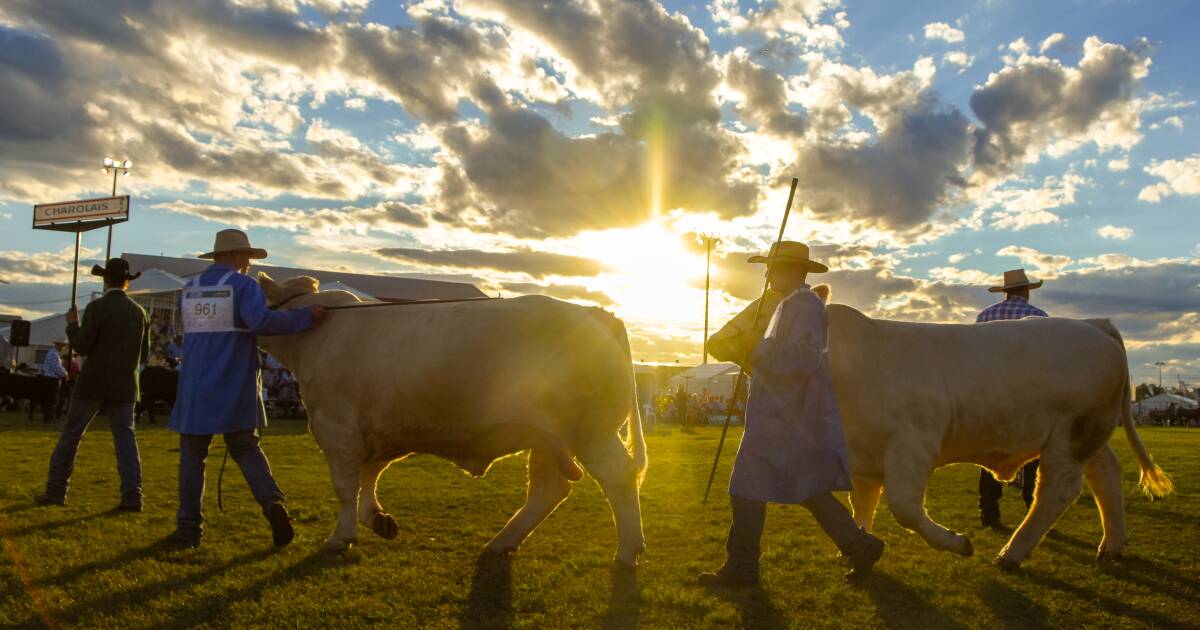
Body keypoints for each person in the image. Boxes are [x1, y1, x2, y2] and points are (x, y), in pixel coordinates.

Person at [699, 241, 883, 588]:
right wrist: (757, 349)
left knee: (747, 488)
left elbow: (803, 359)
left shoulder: (806, 307)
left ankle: (743, 568)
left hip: (785, 415)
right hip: (781, 412)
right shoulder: (791, 305)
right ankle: (859, 546)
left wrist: (758, 345)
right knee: (806, 489)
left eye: (774, 266)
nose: (767, 273)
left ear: (795, 271)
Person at [166, 229, 326, 549]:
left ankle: (188, 531)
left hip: (195, 385)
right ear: (238, 256)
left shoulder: (191, 287)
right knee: (245, 449)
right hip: (233, 381)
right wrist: (304, 317)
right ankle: (272, 503)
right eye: (248, 257)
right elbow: (260, 323)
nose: (250, 264)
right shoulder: (243, 286)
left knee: (192, 459)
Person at [36, 259, 150, 510]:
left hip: (93, 383)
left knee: (71, 436)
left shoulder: (98, 307)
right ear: (127, 281)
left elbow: (82, 345)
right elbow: (145, 353)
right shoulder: (140, 313)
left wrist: (72, 324)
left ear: (105, 279)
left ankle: (56, 492)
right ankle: (133, 497)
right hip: (125, 386)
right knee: (125, 441)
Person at [975, 268, 1049, 529]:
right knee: (1033, 455)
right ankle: (1032, 510)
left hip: (992, 396)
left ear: (1005, 292)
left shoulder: (985, 316)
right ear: (1027, 290)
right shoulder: (1040, 319)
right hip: (1028, 396)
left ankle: (989, 513)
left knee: (990, 454)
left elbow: (975, 359)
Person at [41, 340, 68, 421]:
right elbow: (57, 368)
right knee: (52, 399)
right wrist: (65, 373)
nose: (64, 348)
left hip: (51, 378)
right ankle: (48, 418)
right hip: (52, 379)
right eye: (63, 346)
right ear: (58, 345)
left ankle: (48, 417)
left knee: (51, 399)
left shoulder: (53, 353)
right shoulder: (53, 354)